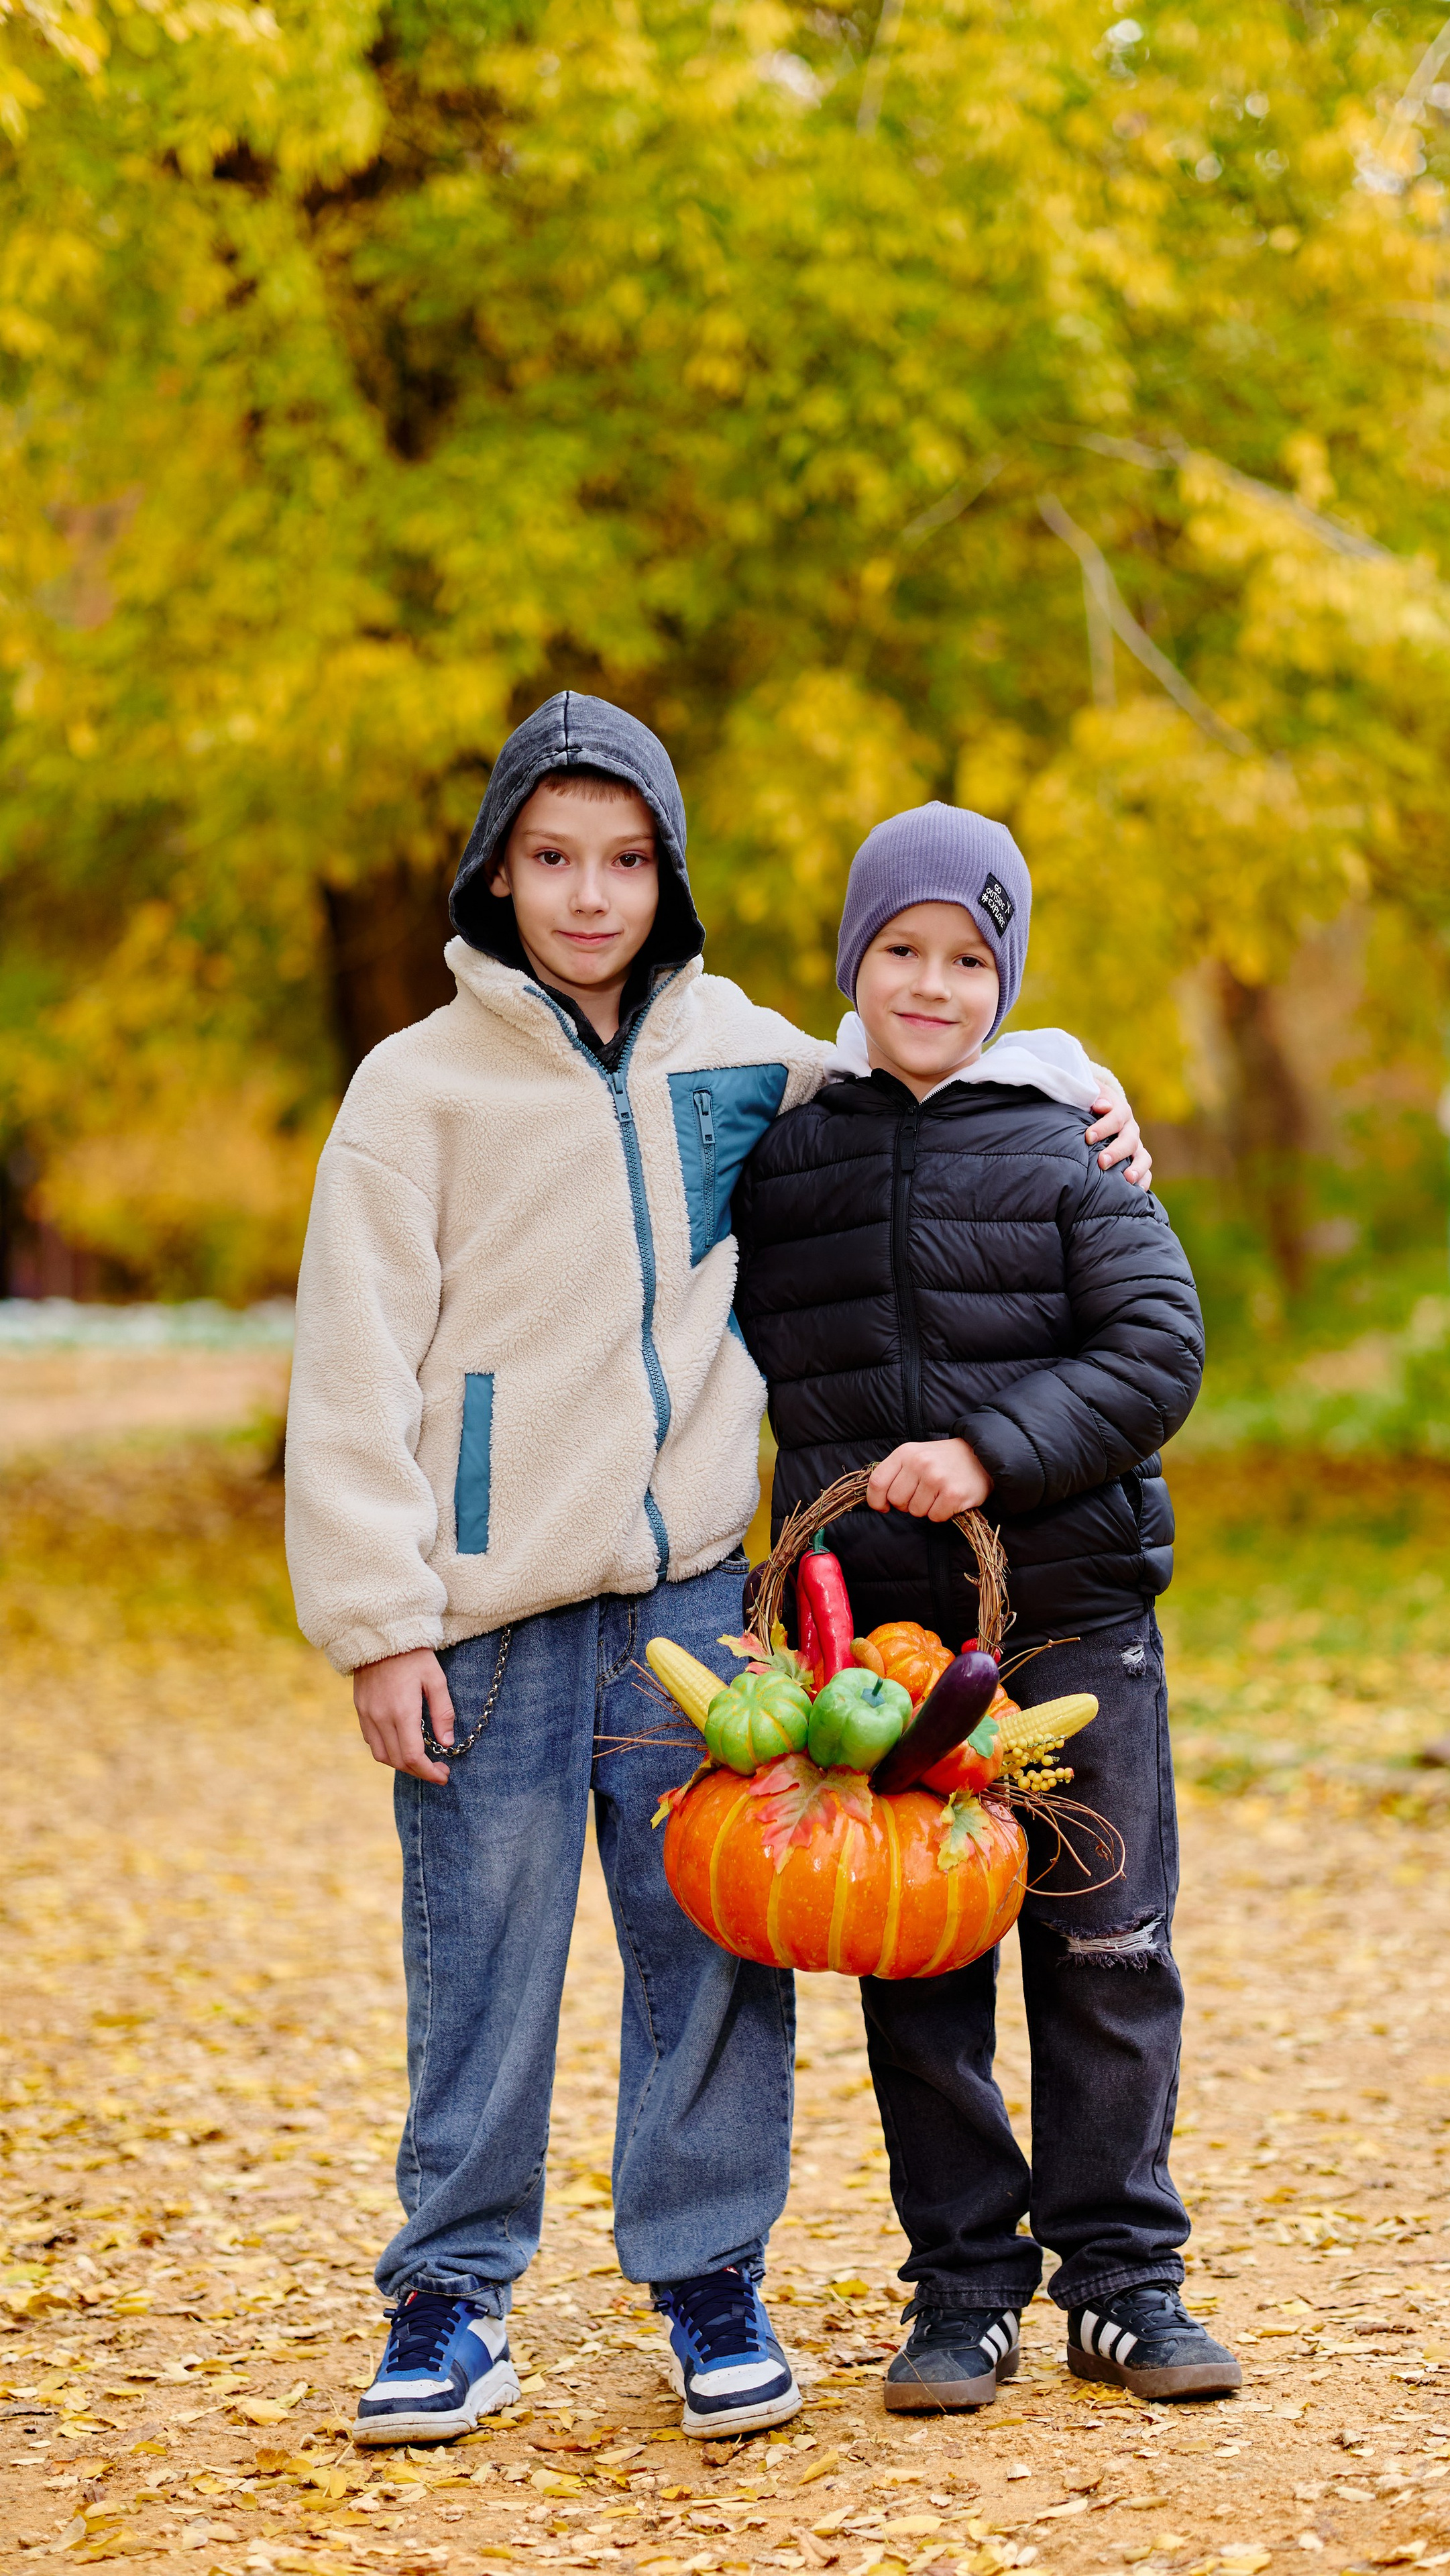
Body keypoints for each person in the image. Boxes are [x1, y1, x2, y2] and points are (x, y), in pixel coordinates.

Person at [283, 696, 1148, 2447]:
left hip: (689, 1602)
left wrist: (1072, 1075)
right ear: (497, 870)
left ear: (667, 875)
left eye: (623, 861)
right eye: (551, 859)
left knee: (711, 1956)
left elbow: (918, 1043)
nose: (587, 895)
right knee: (482, 1959)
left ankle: (707, 2277)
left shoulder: (737, 1049)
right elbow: (351, 1369)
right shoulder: (413, 1091)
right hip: (486, 1612)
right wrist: (379, 1621)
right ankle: (450, 2297)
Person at [732, 801, 1241, 2412]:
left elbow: (1156, 1349)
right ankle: (960, 2288)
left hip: (1069, 1619)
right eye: (902, 950)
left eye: (968, 959)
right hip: (877, 1654)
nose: (931, 986)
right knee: (917, 1966)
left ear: (1004, 980)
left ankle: (1122, 2280)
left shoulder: (1065, 1140)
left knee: (1105, 1948)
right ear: (853, 959)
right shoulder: (785, 1154)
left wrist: (987, 1453)